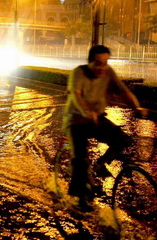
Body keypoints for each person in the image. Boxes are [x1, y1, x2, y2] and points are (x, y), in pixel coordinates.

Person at [63, 45, 147, 210]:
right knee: (80, 159)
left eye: (105, 63)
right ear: (89, 62)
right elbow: (76, 94)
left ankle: (98, 166)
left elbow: (124, 91)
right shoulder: (78, 73)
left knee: (122, 139)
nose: (102, 68)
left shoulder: (108, 72)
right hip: (76, 120)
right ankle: (79, 200)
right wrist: (86, 111)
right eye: (98, 63)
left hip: (97, 119)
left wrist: (136, 107)